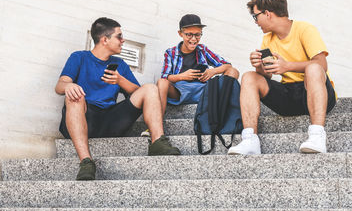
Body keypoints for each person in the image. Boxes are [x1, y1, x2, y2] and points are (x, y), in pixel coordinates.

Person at [55, 17, 181, 181]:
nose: (123, 40)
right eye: (119, 36)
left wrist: (120, 80)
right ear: (105, 40)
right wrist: (69, 86)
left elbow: (142, 94)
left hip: (110, 121)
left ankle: (158, 142)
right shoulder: (79, 57)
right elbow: (59, 86)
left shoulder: (119, 64)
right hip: (85, 119)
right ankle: (86, 162)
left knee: (150, 88)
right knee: (74, 97)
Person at [228, 0, 336, 155]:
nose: (256, 21)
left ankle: (317, 136)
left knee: (313, 68)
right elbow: (267, 76)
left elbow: (322, 65)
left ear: (268, 14)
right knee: (249, 76)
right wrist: (258, 66)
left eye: (256, 16)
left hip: (315, 92)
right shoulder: (268, 39)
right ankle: (250, 140)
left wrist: (288, 66)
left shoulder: (304, 29)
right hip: (288, 96)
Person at [157, 14, 239, 115]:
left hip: (204, 91)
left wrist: (213, 71)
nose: (194, 39)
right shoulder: (171, 53)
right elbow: (165, 77)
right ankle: (157, 122)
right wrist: (182, 76)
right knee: (161, 82)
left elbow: (227, 65)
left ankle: (221, 112)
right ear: (180, 33)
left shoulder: (203, 49)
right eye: (189, 34)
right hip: (180, 92)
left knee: (233, 71)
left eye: (197, 34)